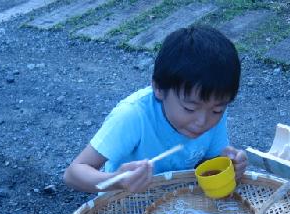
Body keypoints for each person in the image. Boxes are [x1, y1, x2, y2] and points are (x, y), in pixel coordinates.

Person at [64, 25, 248, 193]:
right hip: (125, 198)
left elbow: (209, 161)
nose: (203, 122)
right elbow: (73, 173)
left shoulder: (209, 106)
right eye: (189, 108)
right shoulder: (134, 115)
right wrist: (115, 181)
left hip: (178, 200)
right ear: (159, 88)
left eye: (217, 110)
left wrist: (230, 165)